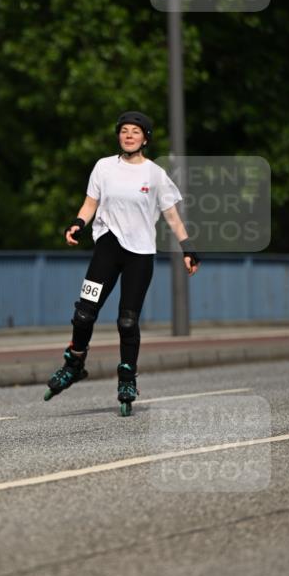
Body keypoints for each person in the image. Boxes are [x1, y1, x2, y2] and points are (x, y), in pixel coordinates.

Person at [44, 111, 200, 415]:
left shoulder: (155, 174)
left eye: (135, 131)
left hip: (140, 255)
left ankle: (127, 379)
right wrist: (78, 223)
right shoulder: (104, 167)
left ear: (145, 139)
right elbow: (90, 203)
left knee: (127, 321)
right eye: (124, 131)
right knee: (83, 314)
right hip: (107, 247)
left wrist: (188, 248)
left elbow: (171, 216)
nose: (129, 135)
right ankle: (74, 363)